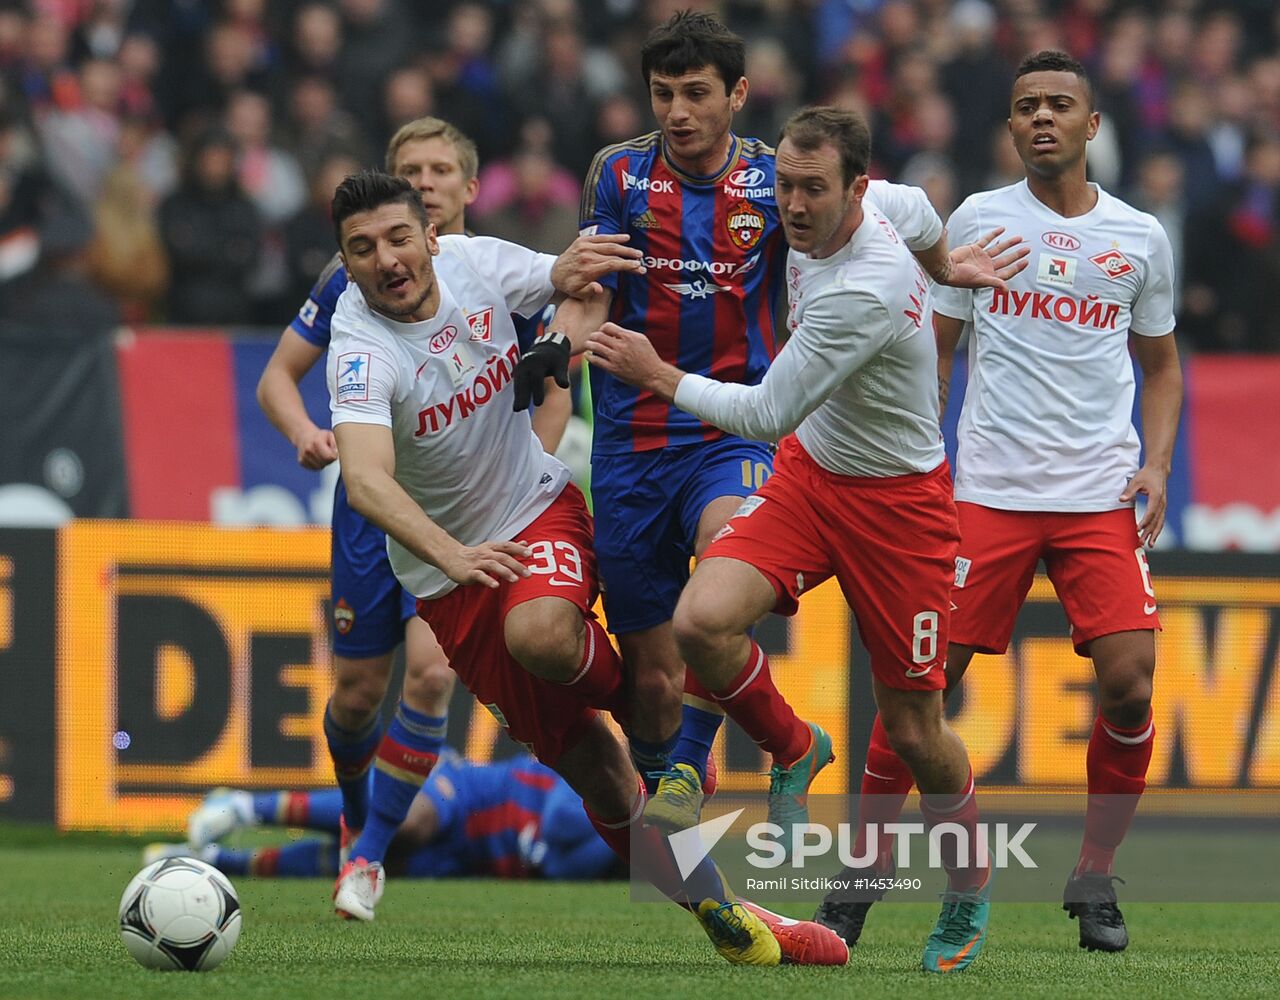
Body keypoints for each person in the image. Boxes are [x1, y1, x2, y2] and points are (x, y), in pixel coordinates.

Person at [584, 106, 1029, 973]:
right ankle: (794, 744)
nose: (790, 203)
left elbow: (762, 410)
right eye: (785, 182)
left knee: (913, 726)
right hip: (810, 478)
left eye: (811, 189)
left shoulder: (860, 289)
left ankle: (969, 883)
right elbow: (929, 218)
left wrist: (653, 373)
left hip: (901, 510)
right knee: (700, 621)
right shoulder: (888, 204)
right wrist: (951, 269)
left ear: (854, 189)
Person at [322, 168, 791, 965]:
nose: (387, 260)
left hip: (536, 510)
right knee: (598, 777)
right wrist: (454, 554)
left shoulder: (475, 262)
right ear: (347, 261)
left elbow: (579, 276)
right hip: (448, 578)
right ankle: (728, 917)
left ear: (431, 236)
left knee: (539, 633)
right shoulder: (359, 346)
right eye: (362, 249)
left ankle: (660, 719)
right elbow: (364, 477)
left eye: (400, 237)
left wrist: (562, 334)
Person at [824, 51, 1182, 955]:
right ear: (1011, 127)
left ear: (1093, 125)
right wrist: (923, 459)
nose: (1042, 119)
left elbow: (1164, 366)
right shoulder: (978, 220)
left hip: (1100, 493)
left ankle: (1095, 875)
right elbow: (935, 347)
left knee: (1132, 681)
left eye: (1061, 105)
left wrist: (1160, 467)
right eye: (1027, 107)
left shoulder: (1140, 238)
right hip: (986, 491)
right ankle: (861, 874)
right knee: (924, 685)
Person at [256, 118, 572, 921]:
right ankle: (357, 819)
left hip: (476, 516)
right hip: (378, 508)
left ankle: (367, 853)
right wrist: (307, 434)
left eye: (438, 170)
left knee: (432, 673)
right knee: (358, 693)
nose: (424, 180)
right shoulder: (350, 285)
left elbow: (557, 378)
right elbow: (277, 382)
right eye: (409, 168)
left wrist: (516, 487)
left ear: (464, 193)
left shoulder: (501, 273)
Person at [512, 9, 790, 835]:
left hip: (730, 426)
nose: (678, 111)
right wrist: (556, 343)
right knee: (656, 683)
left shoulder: (777, 179)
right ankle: (675, 780)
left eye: (697, 93)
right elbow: (593, 281)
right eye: (664, 93)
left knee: (719, 586)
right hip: (632, 445)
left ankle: (784, 746)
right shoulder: (620, 174)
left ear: (737, 94)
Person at [149, 750, 621, 882]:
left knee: (365, 861)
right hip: (465, 792)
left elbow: (558, 867)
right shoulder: (625, 785)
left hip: (465, 859)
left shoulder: (616, 863)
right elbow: (562, 817)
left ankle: (216, 863)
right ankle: (242, 806)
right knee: (406, 823)